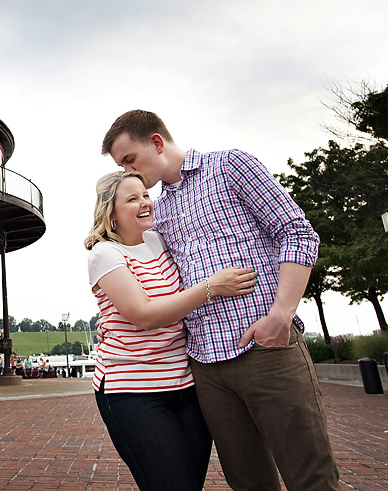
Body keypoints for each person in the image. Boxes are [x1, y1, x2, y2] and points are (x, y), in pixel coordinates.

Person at [102, 110, 341, 491]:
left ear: (158, 143)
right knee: (247, 481)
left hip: (265, 348)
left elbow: (297, 232)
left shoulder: (230, 166)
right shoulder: (157, 211)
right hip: (206, 367)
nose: (127, 170)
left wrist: (281, 315)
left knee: (309, 474)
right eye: (120, 165)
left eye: (129, 159)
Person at [85, 170, 256, 491]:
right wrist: (212, 287)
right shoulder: (105, 254)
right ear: (111, 213)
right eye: (132, 199)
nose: (144, 203)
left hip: (187, 386)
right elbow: (145, 315)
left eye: (145, 195)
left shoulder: (159, 239)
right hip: (133, 391)